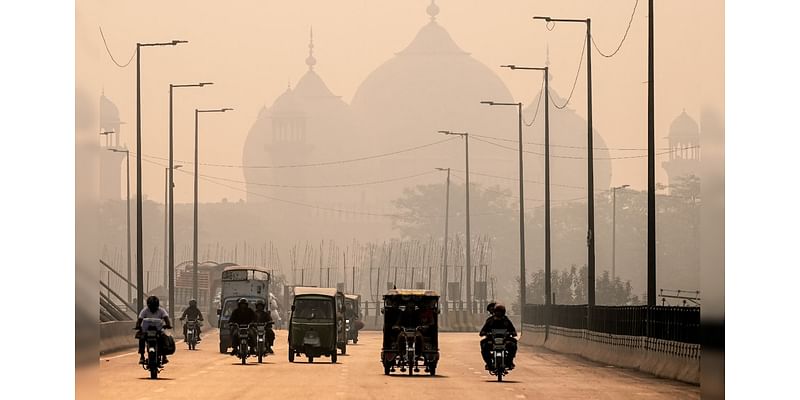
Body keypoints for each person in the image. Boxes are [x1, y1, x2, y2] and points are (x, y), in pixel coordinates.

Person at [135, 296, 172, 365]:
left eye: (154, 306)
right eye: (151, 306)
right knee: (142, 339)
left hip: (158, 330)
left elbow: (166, 318)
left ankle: (164, 356)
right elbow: (139, 320)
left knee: (164, 338)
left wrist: (168, 325)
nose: (153, 308)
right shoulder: (145, 310)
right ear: (148, 305)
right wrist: (138, 326)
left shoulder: (161, 310)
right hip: (147, 330)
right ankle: (142, 356)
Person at [479, 303, 518, 370]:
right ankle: (489, 363)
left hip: (505, 340)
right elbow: (483, 331)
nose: (498, 313)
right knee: (483, 344)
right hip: (492, 340)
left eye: (500, 312)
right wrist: (485, 333)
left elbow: (513, 330)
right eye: (497, 312)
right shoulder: (490, 320)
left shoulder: (506, 320)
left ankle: (509, 361)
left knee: (513, 344)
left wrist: (512, 333)